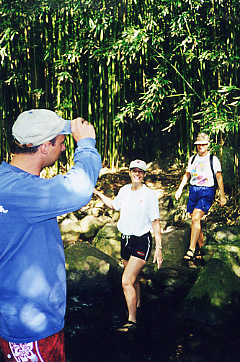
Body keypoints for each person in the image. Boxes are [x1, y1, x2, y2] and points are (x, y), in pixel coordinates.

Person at [0, 109, 102, 362]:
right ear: (45, 147)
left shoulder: (8, 180)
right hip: (30, 329)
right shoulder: (21, 191)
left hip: (29, 319)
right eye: (62, 142)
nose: (65, 148)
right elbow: (78, 190)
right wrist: (87, 145)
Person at [93, 159, 163, 332]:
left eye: (140, 171)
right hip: (125, 239)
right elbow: (114, 205)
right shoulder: (124, 190)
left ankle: (132, 321)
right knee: (134, 279)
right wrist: (97, 193)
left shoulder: (149, 195)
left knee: (126, 281)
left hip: (141, 241)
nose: (137, 174)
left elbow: (155, 222)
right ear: (130, 173)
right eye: (134, 171)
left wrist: (159, 248)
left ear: (144, 174)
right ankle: (138, 305)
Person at [175, 132, 226, 262]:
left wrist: (222, 196)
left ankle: (191, 249)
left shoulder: (213, 159)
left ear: (208, 145)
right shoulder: (192, 158)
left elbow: (219, 177)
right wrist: (180, 189)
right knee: (195, 221)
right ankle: (201, 249)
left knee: (196, 217)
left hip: (207, 191)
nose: (201, 146)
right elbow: (187, 175)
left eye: (203, 144)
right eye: (198, 144)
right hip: (193, 190)